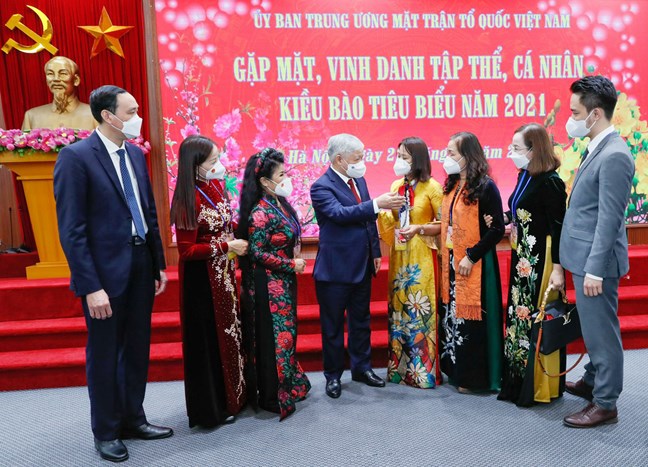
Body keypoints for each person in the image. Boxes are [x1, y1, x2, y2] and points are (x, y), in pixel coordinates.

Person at [53, 85, 171, 463]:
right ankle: (105, 431)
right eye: (131, 111)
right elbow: (72, 230)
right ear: (108, 115)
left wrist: (157, 264)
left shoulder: (134, 153)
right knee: (105, 354)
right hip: (103, 275)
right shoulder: (76, 157)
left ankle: (133, 418)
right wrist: (91, 286)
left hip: (140, 265)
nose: (138, 117)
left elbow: (148, 213)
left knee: (137, 348)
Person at [560, 76, 634, 428]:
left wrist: (594, 269)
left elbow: (609, 220)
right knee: (593, 328)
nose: (571, 119)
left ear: (596, 113)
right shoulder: (597, 147)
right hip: (584, 257)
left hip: (596, 263)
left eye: (576, 113)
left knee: (602, 333)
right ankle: (592, 381)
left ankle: (605, 402)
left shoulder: (615, 155)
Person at [310, 133, 405, 399]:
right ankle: (333, 376)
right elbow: (339, 214)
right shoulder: (321, 186)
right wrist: (376, 204)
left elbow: (368, 220)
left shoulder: (358, 180)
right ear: (339, 159)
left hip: (362, 264)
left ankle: (362, 369)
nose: (362, 162)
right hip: (335, 269)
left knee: (361, 321)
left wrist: (375, 251)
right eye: (358, 158)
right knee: (333, 327)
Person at [169, 135, 248, 428]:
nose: (219, 165)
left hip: (223, 276)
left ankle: (235, 398)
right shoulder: (186, 199)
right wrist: (226, 246)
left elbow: (226, 224)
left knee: (230, 334)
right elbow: (187, 251)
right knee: (208, 342)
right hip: (201, 284)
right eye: (213, 161)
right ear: (195, 164)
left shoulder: (214, 186)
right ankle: (212, 409)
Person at [491, 123, 568, 407]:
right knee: (519, 318)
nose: (511, 153)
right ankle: (517, 380)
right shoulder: (525, 175)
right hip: (521, 257)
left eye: (516, 148)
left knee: (538, 317)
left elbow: (558, 227)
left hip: (542, 259)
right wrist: (503, 217)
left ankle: (539, 386)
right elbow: (521, 210)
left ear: (534, 149)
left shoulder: (551, 182)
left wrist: (558, 268)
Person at [237, 148, 311, 420]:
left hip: (283, 281)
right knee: (276, 338)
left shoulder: (278, 203)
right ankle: (273, 393)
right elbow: (256, 252)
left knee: (287, 334)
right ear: (265, 182)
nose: (285, 178)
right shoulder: (260, 212)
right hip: (268, 285)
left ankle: (289, 383)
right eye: (280, 175)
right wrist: (291, 264)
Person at [438, 131, 505, 393]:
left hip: (475, 264)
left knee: (473, 323)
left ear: (467, 156)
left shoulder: (486, 187)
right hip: (453, 263)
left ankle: (475, 378)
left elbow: (497, 229)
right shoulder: (452, 185)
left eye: (452, 153)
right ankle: (456, 372)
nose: (447, 157)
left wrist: (471, 256)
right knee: (453, 319)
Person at [377, 137, 443, 388]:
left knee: (419, 309)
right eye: (398, 156)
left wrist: (419, 228)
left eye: (405, 157)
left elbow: (443, 224)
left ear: (418, 159)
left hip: (422, 254)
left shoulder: (433, 187)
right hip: (400, 254)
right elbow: (391, 222)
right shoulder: (396, 185)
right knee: (399, 308)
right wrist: (381, 210)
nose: (400, 161)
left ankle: (422, 372)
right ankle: (399, 369)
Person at [22, 56, 97, 131]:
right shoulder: (32, 116)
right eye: (50, 74)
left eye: (63, 73)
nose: (56, 79)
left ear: (76, 80)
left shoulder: (94, 114)